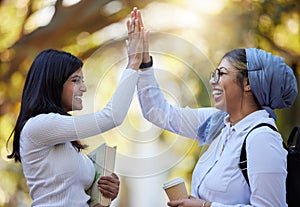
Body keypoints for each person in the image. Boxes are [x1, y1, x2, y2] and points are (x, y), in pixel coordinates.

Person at [129, 8, 298, 207]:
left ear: (248, 83)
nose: (212, 81)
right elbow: (159, 113)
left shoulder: (262, 139)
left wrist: (205, 206)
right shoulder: (218, 124)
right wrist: (143, 64)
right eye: (213, 74)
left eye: (222, 74)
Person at [6, 15, 145, 206]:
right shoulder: (39, 125)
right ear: (53, 83)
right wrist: (133, 63)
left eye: (83, 80)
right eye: (75, 80)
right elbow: (111, 117)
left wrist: (105, 194)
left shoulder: (69, 144)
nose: (83, 88)